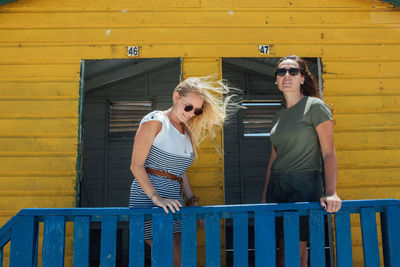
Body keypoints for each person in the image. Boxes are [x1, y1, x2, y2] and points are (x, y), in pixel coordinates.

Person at [129, 76, 236, 267]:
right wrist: (156, 198)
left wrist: (192, 200)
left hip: (175, 202)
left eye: (197, 110)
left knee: (181, 259)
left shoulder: (186, 131)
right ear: (176, 97)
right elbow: (135, 166)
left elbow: (179, 171)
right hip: (150, 199)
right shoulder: (155, 120)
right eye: (188, 107)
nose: (191, 113)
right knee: (174, 260)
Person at [261, 55, 342, 267]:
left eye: (293, 71)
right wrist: (264, 198)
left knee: (288, 257)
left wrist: (331, 191)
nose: (286, 75)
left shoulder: (314, 106)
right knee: (290, 253)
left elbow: (329, 152)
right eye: (281, 72)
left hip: (304, 184)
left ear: (302, 78)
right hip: (277, 187)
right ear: (276, 80)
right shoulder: (279, 115)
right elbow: (273, 159)